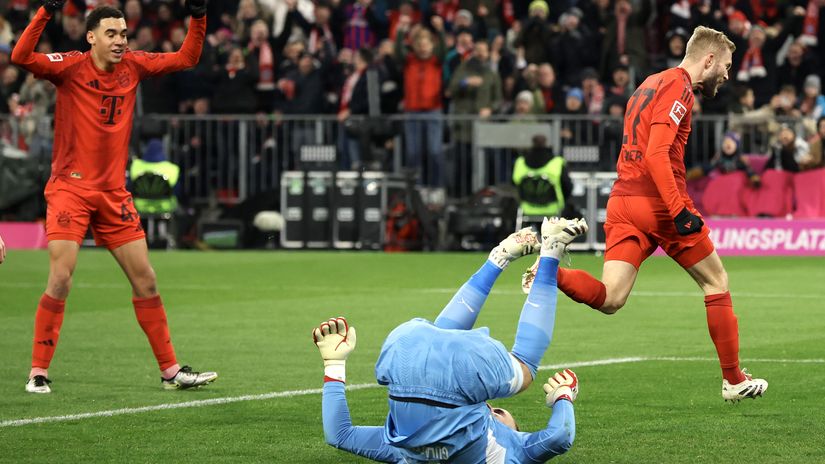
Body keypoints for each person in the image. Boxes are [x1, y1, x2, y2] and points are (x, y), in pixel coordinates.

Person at [522, 26, 768, 402]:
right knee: (716, 282)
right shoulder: (680, 86)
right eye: (728, 66)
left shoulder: (648, 83)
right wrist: (678, 211)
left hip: (623, 200)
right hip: (658, 203)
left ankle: (550, 270)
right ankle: (733, 379)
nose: (728, 75)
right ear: (709, 59)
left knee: (611, 298)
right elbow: (656, 154)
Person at [11, 1, 217, 393]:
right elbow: (20, 56)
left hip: (113, 194)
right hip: (70, 189)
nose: (121, 40)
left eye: (123, 33)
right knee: (61, 278)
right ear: (91, 37)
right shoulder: (69, 66)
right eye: (111, 33)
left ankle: (171, 372)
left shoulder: (134, 66)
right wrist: (45, 12)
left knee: (147, 281)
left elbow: (188, 57)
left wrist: (199, 16)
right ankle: (38, 371)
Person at [314, 218, 587, 463]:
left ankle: (547, 251)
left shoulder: (509, 452)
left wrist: (563, 395)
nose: (493, 408)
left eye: (499, 411)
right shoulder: (402, 452)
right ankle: (506, 256)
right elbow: (338, 436)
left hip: (430, 357)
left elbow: (559, 437)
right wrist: (334, 363)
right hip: (404, 347)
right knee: (439, 340)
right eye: (500, 410)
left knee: (524, 369)